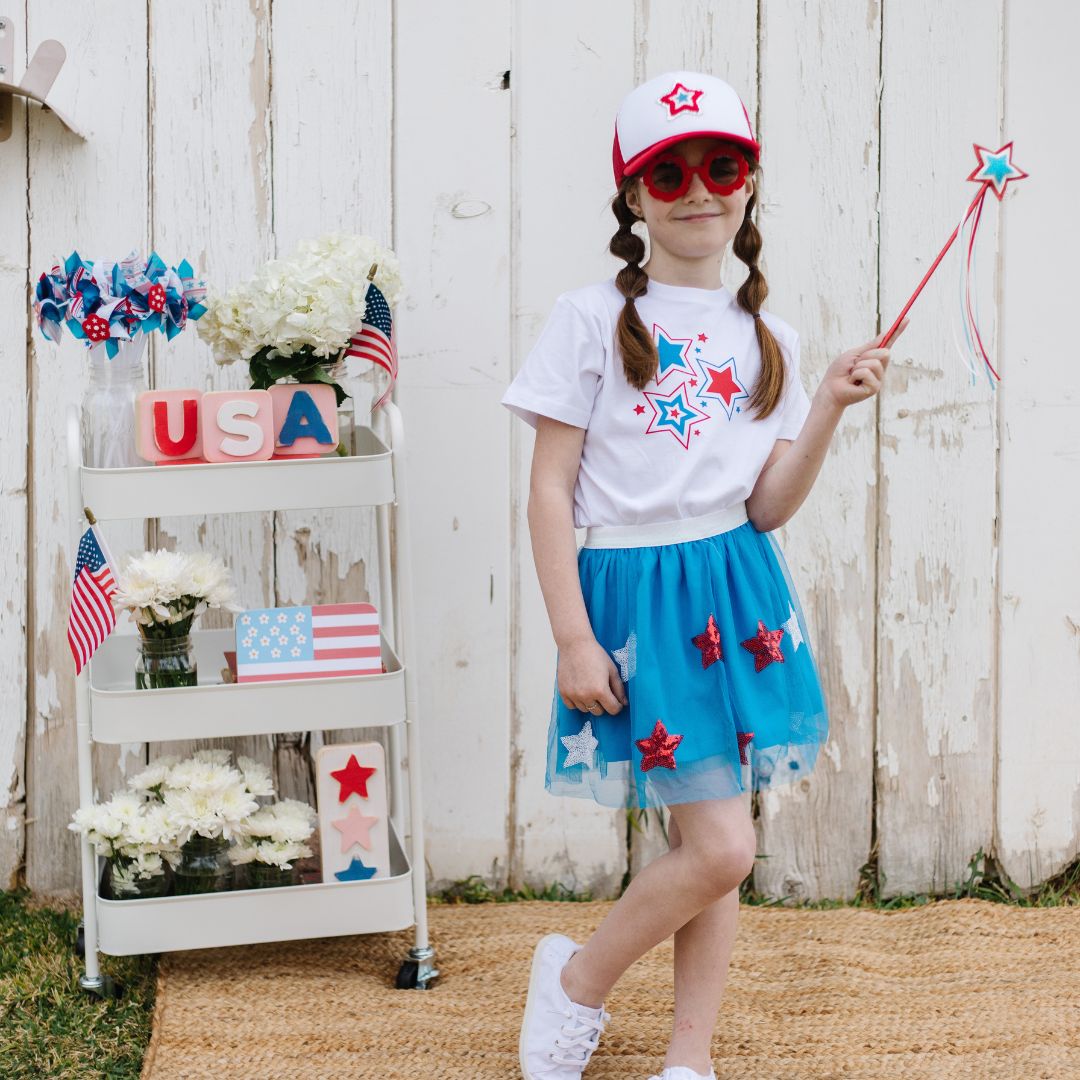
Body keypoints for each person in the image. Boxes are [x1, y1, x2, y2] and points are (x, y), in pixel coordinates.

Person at [502, 70, 906, 1080]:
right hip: (637, 600)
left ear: (748, 183)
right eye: (668, 172)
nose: (698, 190)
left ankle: (689, 1057)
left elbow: (766, 506)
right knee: (723, 846)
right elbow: (550, 490)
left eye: (721, 167)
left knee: (711, 838)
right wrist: (571, 634)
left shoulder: (770, 336)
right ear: (634, 197)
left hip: (738, 591)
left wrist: (825, 411)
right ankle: (577, 981)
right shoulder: (590, 318)